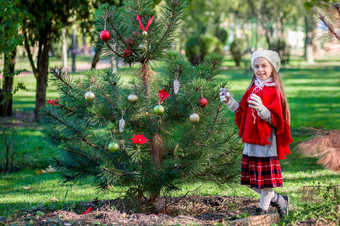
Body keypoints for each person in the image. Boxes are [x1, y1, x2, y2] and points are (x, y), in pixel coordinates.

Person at [219, 50, 293, 217]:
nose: (260, 70)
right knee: (250, 181)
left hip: (267, 143)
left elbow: (276, 122)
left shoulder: (274, 91)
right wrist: (230, 101)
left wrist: (262, 110)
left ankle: (263, 212)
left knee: (266, 183)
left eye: (264, 66)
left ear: (272, 68)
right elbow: (242, 113)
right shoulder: (252, 89)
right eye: (256, 66)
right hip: (250, 142)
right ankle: (278, 199)